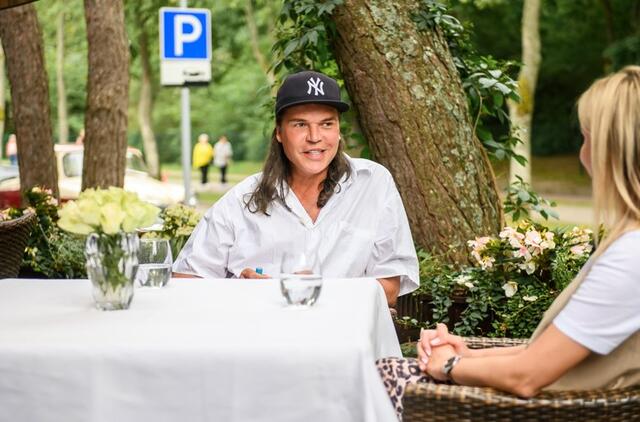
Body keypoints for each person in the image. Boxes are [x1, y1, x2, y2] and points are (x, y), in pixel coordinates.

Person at [377, 65, 640, 419]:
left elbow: (527, 375)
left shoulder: (630, 257)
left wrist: (449, 365)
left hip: (537, 412)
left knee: (373, 379)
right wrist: (467, 354)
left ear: (612, 152)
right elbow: (545, 352)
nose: (582, 154)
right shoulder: (628, 245)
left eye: (587, 138)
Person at [173, 70, 419, 306]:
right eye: (300, 124)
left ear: (338, 129)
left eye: (326, 124)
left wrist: (297, 291)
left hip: (349, 332)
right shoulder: (243, 199)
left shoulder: (372, 183)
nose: (315, 136)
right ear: (279, 132)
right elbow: (185, 280)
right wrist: (240, 292)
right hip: (262, 333)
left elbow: (390, 288)